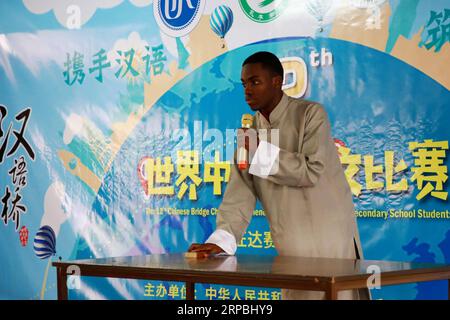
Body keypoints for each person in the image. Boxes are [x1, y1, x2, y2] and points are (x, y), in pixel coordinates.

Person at [188, 51, 369, 300]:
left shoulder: (310, 114)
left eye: (255, 82)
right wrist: (223, 239)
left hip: (331, 239)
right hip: (292, 244)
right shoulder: (249, 135)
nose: (247, 90)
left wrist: (259, 151)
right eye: (244, 84)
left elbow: (311, 171)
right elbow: (239, 194)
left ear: (277, 82)